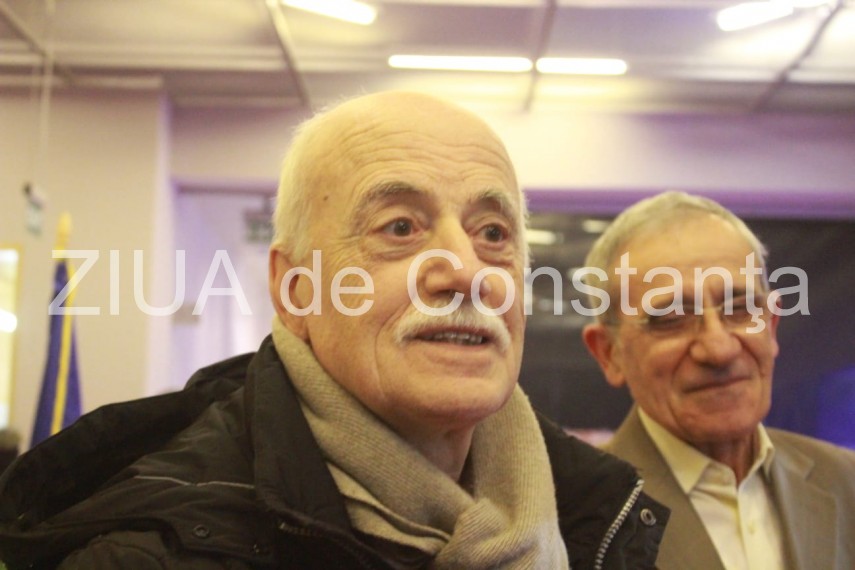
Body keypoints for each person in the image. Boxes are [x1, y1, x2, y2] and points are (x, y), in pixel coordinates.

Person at [0, 92, 668, 569]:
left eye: (492, 233)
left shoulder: (595, 512)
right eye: (400, 227)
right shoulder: (149, 554)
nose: (467, 270)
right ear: (296, 291)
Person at [581, 191, 855, 570]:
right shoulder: (570, 519)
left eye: (740, 309)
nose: (718, 349)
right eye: (671, 319)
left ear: (771, 326)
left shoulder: (844, 481)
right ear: (609, 353)